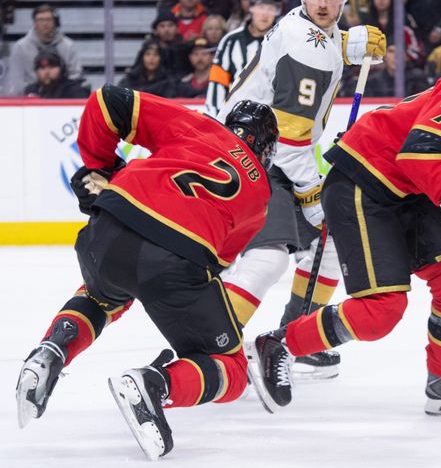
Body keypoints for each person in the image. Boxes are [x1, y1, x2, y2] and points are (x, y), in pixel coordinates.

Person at [252, 35, 441, 417]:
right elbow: (420, 151)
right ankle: (279, 343)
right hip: (364, 187)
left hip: (402, 192)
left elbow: (412, 134)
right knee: (380, 312)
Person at [15, 87, 279, 459]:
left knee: (100, 295)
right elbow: (211, 265)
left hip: (108, 225)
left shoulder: (199, 125)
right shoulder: (261, 199)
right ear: (266, 150)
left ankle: (52, 349)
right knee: (232, 368)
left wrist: (101, 168)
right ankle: (156, 384)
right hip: (173, 259)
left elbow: (106, 102)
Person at [215, 0, 387, 389]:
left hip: (263, 151)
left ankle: (294, 339)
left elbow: (321, 42)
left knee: (327, 244)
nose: (323, 2)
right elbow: (291, 141)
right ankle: (213, 344)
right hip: (254, 158)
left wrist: (348, 44)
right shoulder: (304, 45)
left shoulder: (307, 27)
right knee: (269, 258)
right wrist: (312, 197)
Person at [206, 0, 283, 117]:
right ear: (251, 7)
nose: (265, 14)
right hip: (233, 116)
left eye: (271, 8)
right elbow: (217, 83)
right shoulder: (231, 41)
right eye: (261, 7)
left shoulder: (284, 41)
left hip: (271, 118)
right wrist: (215, 119)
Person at [4, 4, 83, 96]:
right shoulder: (20, 47)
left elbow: (75, 75)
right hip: (31, 96)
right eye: (40, 20)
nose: (45, 23)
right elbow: (16, 80)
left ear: (55, 22)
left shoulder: (68, 45)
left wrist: (61, 91)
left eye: (48, 19)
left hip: (62, 95)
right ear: (34, 23)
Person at [23, 49, 89, 99]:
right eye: (42, 68)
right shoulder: (31, 90)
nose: (47, 72)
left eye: (51, 67)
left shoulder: (74, 90)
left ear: (61, 69)